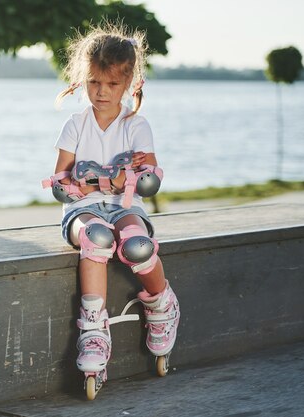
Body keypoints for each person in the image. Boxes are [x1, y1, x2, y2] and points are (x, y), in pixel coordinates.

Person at [44, 23, 180, 394]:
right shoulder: (75, 125)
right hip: (83, 211)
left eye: (111, 85)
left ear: (129, 82)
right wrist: (80, 184)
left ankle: (162, 305)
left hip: (125, 207)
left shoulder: (136, 126)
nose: (101, 92)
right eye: (93, 83)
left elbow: (151, 180)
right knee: (97, 237)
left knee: (137, 244)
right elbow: (59, 185)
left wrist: (130, 179)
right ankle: (93, 330)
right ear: (82, 79)